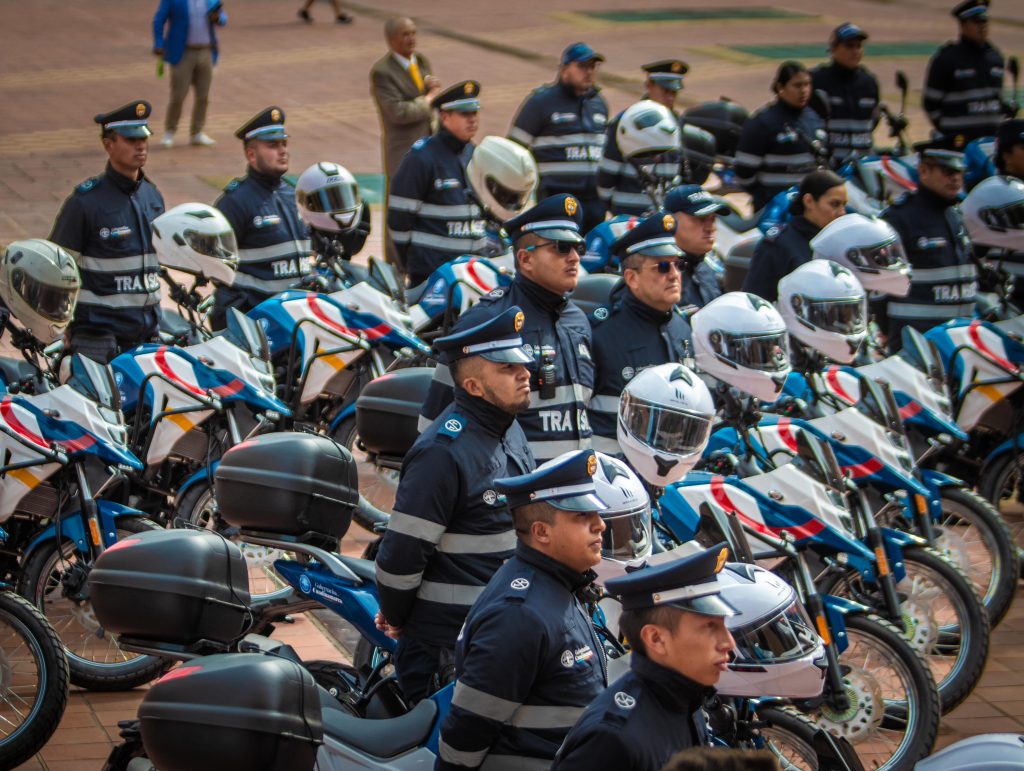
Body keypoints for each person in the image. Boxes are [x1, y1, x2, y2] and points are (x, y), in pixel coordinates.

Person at [374, 307, 535, 704]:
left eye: (522, 362)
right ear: (474, 386)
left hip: (498, 634)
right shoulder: (442, 453)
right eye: (507, 367)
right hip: (447, 648)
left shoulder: (507, 428)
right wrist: (398, 616)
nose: (524, 372)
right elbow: (401, 556)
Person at [436, 449, 609, 770]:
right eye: (582, 516)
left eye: (595, 514)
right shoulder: (519, 614)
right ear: (541, 532)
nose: (599, 524)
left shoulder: (557, 584)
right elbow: (466, 735)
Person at [420, 194, 594, 464]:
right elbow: (433, 421)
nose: (573, 257)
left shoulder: (579, 321)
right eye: (561, 247)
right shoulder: (487, 320)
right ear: (525, 259)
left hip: (574, 490)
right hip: (512, 492)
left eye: (578, 248)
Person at [550, 545, 737, 771]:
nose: (729, 643)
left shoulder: (687, 699)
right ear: (656, 638)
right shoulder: (612, 739)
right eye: (709, 627)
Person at [49, 100, 165, 362]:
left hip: (148, 335)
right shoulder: (85, 202)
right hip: (98, 340)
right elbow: (56, 268)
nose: (141, 145)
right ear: (108, 144)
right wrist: (60, 325)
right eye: (131, 139)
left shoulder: (151, 195)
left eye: (143, 138)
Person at [588, 213, 693, 454]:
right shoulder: (600, 334)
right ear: (632, 278)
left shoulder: (682, 327)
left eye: (679, 264)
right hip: (617, 476)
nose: (674, 274)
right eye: (663, 266)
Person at [212, 106, 311, 330]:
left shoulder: (293, 194)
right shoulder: (235, 202)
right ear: (251, 154)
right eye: (273, 145)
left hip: (299, 318)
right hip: (260, 321)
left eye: (284, 143)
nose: (282, 150)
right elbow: (218, 271)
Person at [387, 80, 485, 286]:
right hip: (432, 276)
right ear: (444, 116)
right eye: (465, 114)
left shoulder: (475, 154)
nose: (473, 120)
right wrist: (411, 261)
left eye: (474, 113)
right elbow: (399, 219)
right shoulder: (422, 158)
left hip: (473, 274)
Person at [509, 43, 610, 232]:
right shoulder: (540, 102)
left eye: (592, 67)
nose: (588, 72)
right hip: (556, 201)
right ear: (564, 69)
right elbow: (513, 152)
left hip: (594, 204)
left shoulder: (599, 103)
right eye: (582, 66)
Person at [881, 148, 976, 344]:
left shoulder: (956, 215)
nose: (956, 179)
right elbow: (879, 289)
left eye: (960, 173)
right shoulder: (899, 218)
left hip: (961, 337)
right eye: (948, 172)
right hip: (918, 341)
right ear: (924, 171)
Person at [370, 17, 440, 268]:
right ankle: (395, 265)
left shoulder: (420, 61)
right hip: (401, 149)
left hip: (427, 143)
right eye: (404, 34)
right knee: (398, 205)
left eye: (413, 32)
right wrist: (429, 97)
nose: (411, 38)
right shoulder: (382, 72)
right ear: (390, 40)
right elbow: (397, 112)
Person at [598, 60, 688, 217]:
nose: (670, 98)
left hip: (666, 217)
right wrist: (616, 207)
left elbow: (681, 170)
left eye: (674, 92)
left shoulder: (676, 122)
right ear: (649, 85)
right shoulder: (626, 120)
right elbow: (607, 175)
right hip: (630, 216)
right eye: (665, 91)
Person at [741, 169, 848, 302]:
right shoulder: (778, 245)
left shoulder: (841, 243)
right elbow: (755, 302)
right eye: (835, 204)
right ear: (809, 201)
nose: (842, 213)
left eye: (844, 205)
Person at [734, 61, 826, 211]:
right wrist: (765, 196)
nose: (803, 91)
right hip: (773, 209)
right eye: (797, 85)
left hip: (808, 209)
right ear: (780, 88)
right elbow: (744, 172)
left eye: (807, 85)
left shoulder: (814, 118)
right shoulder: (762, 122)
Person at [923, 0, 1008, 148]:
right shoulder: (947, 59)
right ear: (963, 25)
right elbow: (930, 103)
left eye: (984, 22)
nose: (982, 27)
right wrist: (948, 129)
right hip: (960, 144)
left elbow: (996, 97)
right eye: (976, 23)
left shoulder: (995, 57)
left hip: (991, 143)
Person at [152, 0, 227, 149]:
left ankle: (197, 132)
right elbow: (158, 20)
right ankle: (170, 131)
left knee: (204, 96)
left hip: (206, 51)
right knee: (178, 95)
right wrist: (159, 43)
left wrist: (218, 18)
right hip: (182, 53)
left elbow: (223, 19)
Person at [811, 23, 880, 162]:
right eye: (849, 46)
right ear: (833, 49)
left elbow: (874, 118)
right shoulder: (817, 80)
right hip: (830, 166)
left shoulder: (869, 82)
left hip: (864, 164)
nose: (855, 51)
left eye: (858, 46)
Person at [663, 184, 729, 308]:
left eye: (713, 219)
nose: (711, 228)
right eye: (701, 218)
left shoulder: (711, 267)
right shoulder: (657, 272)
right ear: (670, 222)